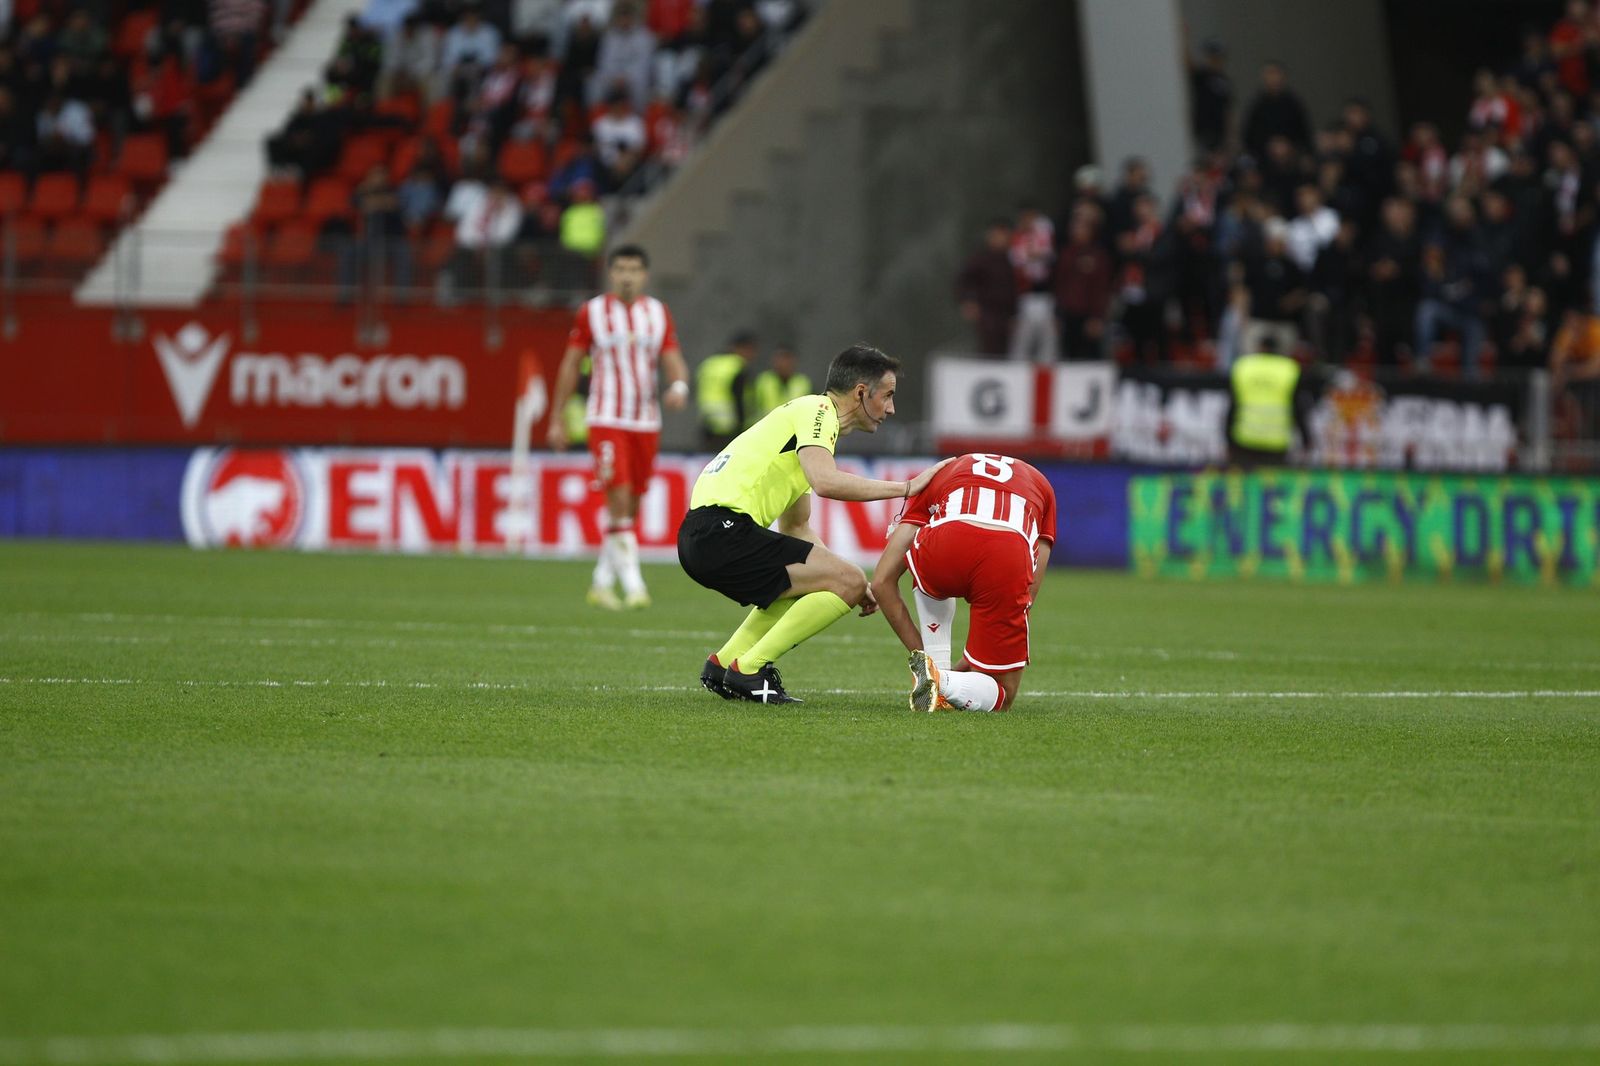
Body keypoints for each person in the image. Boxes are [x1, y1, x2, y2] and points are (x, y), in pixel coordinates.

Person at [680, 344, 949, 704]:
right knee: (847, 578)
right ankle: (749, 670)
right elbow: (826, 481)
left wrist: (846, 581)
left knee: (828, 580)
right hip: (723, 529)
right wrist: (906, 488)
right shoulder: (818, 410)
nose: (891, 408)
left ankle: (724, 663)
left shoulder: (807, 425)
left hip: (703, 535)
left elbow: (795, 527)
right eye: (887, 395)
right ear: (860, 392)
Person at [548, 244, 691, 610]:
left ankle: (600, 581)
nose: (627, 275)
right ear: (611, 273)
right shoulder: (592, 312)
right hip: (606, 417)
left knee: (632, 505)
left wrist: (678, 387)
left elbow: (673, 359)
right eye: (621, 269)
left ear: (644, 274)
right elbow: (569, 364)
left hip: (645, 420)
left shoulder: (657, 313)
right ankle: (635, 585)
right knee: (619, 496)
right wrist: (557, 417)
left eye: (634, 269)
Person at [869, 453, 1057, 713]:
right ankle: (943, 680)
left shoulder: (944, 472)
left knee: (924, 562)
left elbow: (881, 582)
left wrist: (919, 654)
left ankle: (934, 666)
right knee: (1004, 693)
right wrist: (975, 662)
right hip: (1006, 553)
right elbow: (1030, 587)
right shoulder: (1043, 485)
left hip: (942, 547)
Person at [1224, 342, 1313, 467]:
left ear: (1259, 349)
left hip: (1245, 439)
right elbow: (1297, 408)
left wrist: (1228, 439)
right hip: (1276, 442)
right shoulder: (1288, 369)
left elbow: (1233, 405)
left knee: (1245, 484)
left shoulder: (1243, 367)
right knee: (1272, 485)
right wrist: (1306, 438)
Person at [954, 218, 1016, 356]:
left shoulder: (1014, 258)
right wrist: (968, 301)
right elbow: (964, 280)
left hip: (1009, 314)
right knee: (989, 348)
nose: (1000, 238)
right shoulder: (981, 259)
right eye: (996, 234)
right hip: (988, 313)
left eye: (1003, 234)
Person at [696, 329, 756, 450]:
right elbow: (739, 398)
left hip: (707, 424)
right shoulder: (737, 366)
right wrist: (743, 427)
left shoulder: (709, 364)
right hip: (729, 428)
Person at [747, 343, 811, 423]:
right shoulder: (764, 380)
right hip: (766, 427)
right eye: (780, 359)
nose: (784, 363)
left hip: (793, 429)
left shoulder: (802, 382)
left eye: (787, 359)